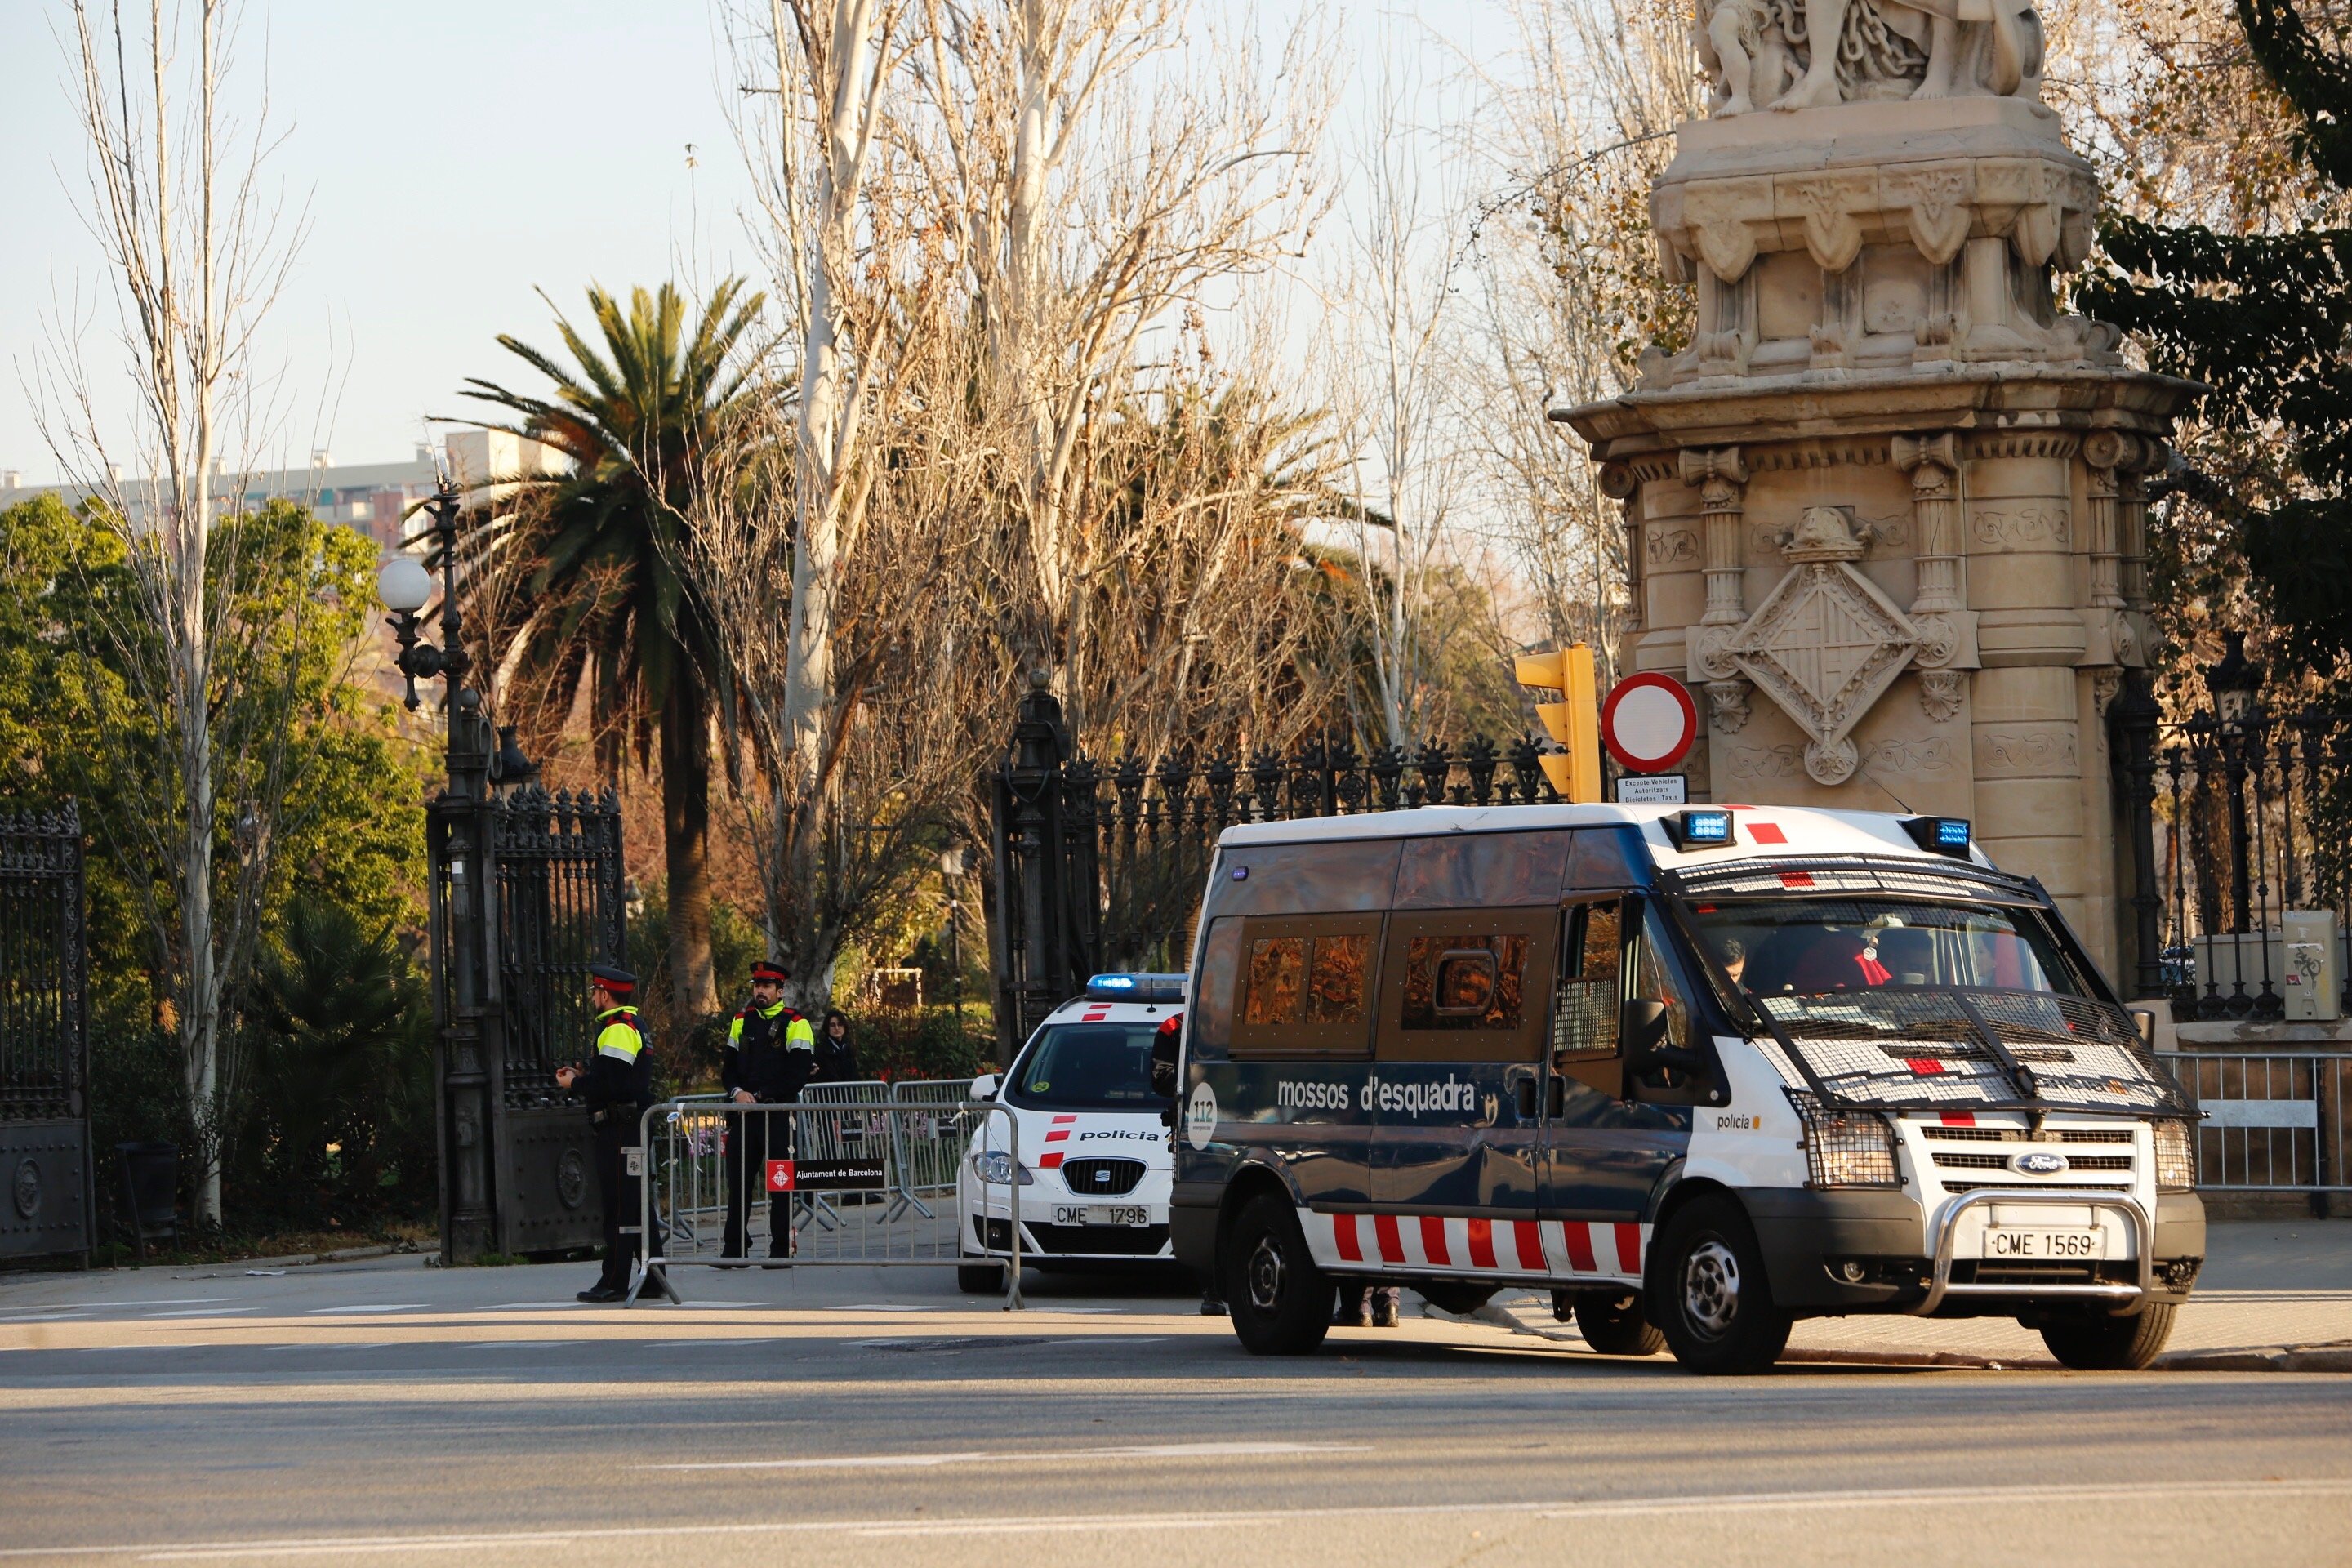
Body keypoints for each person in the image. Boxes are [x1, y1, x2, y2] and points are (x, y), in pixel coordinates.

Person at [556, 964, 660, 1303]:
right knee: (637, 1204)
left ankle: (614, 1281)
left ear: (604, 993)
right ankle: (654, 1276)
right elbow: (618, 1077)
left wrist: (575, 1084)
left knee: (618, 1205)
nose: (592, 998)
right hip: (630, 1124)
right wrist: (586, 1074)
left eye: (594, 992)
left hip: (620, 1128)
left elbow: (611, 1085)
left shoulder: (617, 1029)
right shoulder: (633, 1024)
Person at [721, 960, 817, 1263]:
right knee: (738, 1183)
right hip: (744, 1114)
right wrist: (737, 1092)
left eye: (766, 986)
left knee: (780, 1184)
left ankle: (780, 1249)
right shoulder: (741, 1020)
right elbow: (728, 1069)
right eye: (757, 986)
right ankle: (734, 1248)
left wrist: (761, 1095)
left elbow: (797, 1075)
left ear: (780, 990)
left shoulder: (796, 1023)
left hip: (777, 1115)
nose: (760, 991)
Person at [814, 1009, 860, 1084]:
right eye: (832, 1025)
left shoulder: (849, 1047)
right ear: (827, 1028)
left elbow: (854, 1074)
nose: (837, 1028)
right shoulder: (822, 1049)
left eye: (840, 1024)